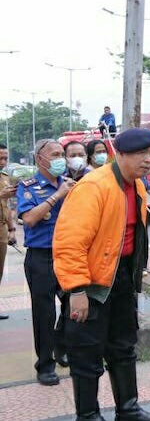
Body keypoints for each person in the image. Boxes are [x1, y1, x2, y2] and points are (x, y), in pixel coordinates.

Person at [53, 128, 150, 421]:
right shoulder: (94, 186)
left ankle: (128, 409)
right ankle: (88, 415)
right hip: (91, 284)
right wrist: (77, 290)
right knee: (86, 353)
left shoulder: (136, 185)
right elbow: (69, 243)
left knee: (123, 346)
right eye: (140, 154)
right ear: (121, 155)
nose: (147, 160)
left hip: (122, 278)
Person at [17, 139, 74, 385]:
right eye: (55, 154)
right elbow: (30, 219)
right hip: (41, 257)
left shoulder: (70, 184)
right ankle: (45, 365)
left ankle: (61, 345)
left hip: (68, 254)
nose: (62, 159)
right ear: (40, 159)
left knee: (74, 305)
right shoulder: (28, 187)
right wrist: (57, 196)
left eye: (62, 154)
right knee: (44, 313)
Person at [0, 143, 17, 320]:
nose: (3, 162)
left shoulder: (5, 177)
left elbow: (7, 206)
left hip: (2, 229)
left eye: (5, 158)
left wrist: (12, 229)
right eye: (0, 158)